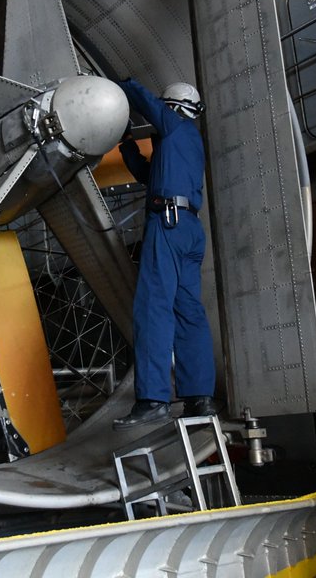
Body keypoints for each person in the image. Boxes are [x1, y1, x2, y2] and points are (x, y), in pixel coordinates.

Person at [112, 78, 217, 430]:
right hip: (190, 230)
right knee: (189, 313)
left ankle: (153, 400)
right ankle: (199, 398)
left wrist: (121, 85)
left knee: (153, 308)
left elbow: (146, 101)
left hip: (168, 225)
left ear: (172, 107)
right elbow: (147, 174)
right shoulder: (186, 143)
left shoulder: (174, 126)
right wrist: (128, 143)